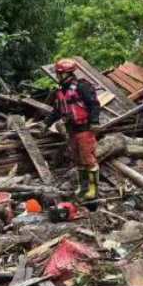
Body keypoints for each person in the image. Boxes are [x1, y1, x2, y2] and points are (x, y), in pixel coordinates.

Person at [44, 58, 101, 200]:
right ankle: (83, 188)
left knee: (88, 160)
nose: (57, 76)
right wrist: (46, 123)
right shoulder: (60, 91)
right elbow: (57, 110)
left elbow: (94, 104)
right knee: (79, 161)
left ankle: (94, 190)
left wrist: (94, 122)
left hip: (84, 129)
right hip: (71, 130)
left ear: (65, 73)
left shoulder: (82, 86)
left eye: (58, 73)